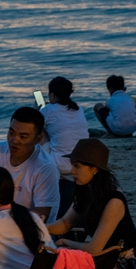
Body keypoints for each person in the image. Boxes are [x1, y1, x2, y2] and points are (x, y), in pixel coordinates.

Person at [46, 138, 136, 269]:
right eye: (72, 165)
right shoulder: (85, 192)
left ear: (94, 168)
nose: (72, 171)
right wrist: (38, 226)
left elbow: (94, 249)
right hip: (106, 259)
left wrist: (67, 243)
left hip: (132, 264)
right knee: (58, 266)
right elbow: (65, 224)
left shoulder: (114, 201)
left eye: (77, 166)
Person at [0, 106, 60, 221]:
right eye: (11, 133)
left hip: (27, 230)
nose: (14, 140)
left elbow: (41, 215)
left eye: (23, 137)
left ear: (37, 139)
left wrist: (2, 219)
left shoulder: (45, 167)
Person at [40, 76, 90, 217]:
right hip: (81, 163)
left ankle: (51, 166)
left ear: (52, 95)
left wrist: (36, 109)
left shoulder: (48, 109)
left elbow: (33, 126)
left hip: (59, 164)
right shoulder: (78, 109)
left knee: (39, 129)